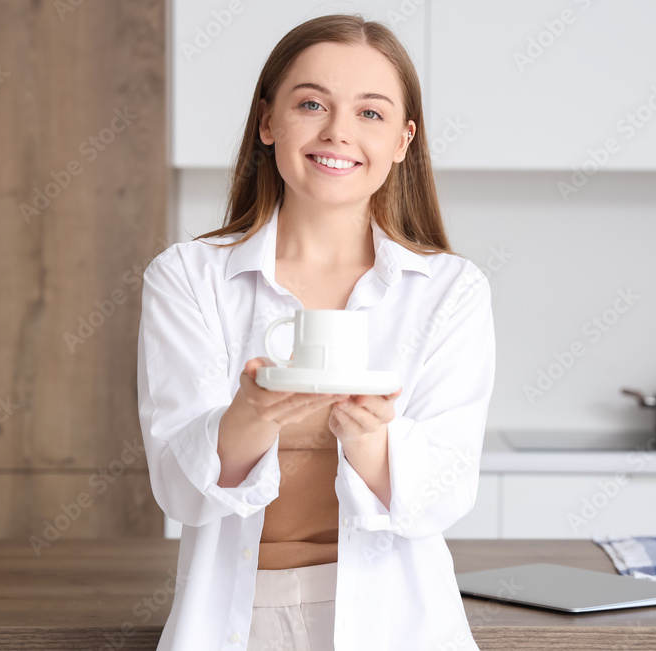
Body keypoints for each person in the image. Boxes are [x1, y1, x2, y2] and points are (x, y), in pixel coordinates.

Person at [137, 13, 495, 651]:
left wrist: (375, 440)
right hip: (236, 620)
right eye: (311, 103)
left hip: (396, 623)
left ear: (403, 141)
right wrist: (249, 414)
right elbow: (177, 490)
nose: (338, 132)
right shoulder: (189, 278)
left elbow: (446, 491)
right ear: (268, 121)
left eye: (370, 113)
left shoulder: (449, 291)